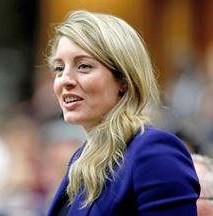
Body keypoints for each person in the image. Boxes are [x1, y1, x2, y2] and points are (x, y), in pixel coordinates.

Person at [45, 10, 200, 215]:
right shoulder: (81, 158)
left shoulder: (154, 152)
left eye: (83, 66)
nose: (65, 79)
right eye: (59, 68)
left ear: (124, 80)